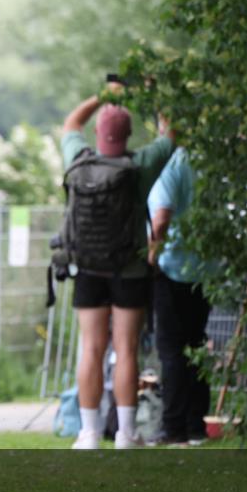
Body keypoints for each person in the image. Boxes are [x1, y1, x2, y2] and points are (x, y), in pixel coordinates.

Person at [60, 83, 174, 449]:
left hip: (88, 267)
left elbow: (71, 123)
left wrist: (102, 95)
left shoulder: (78, 158)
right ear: (129, 135)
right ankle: (126, 433)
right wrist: (150, 95)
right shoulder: (141, 165)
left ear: (97, 132)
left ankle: (89, 433)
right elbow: (171, 132)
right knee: (126, 349)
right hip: (130, 269)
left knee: (91, 348)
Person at [147, 146, 212, 447]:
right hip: (204, 268)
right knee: (196, 344)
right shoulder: (205, 160)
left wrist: (153, 255)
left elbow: (161, 218)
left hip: (173, 267)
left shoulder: (172, 165)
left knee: (171, 350)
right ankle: (196, 424)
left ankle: (173, 426)